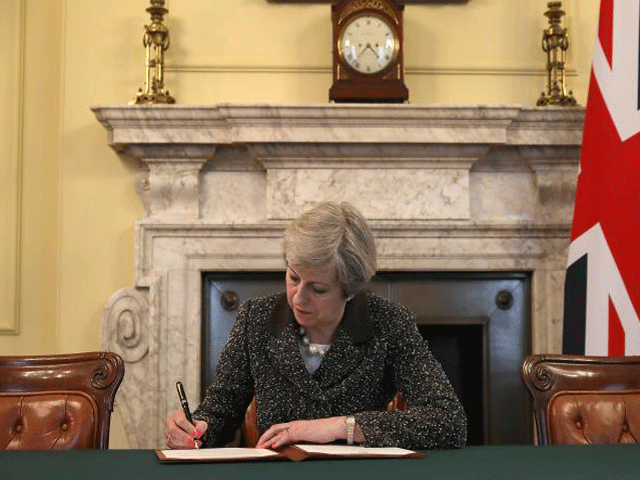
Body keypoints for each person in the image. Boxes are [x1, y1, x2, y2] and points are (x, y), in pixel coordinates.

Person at [165, 201, 467, 450]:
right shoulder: (255, 319)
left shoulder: (388, 323)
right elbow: (220, 411)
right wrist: (197, 428)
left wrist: (342, 426)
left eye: (318, 289)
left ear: (349, 290)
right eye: (294, 277)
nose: (298, 296)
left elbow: (448, 422)